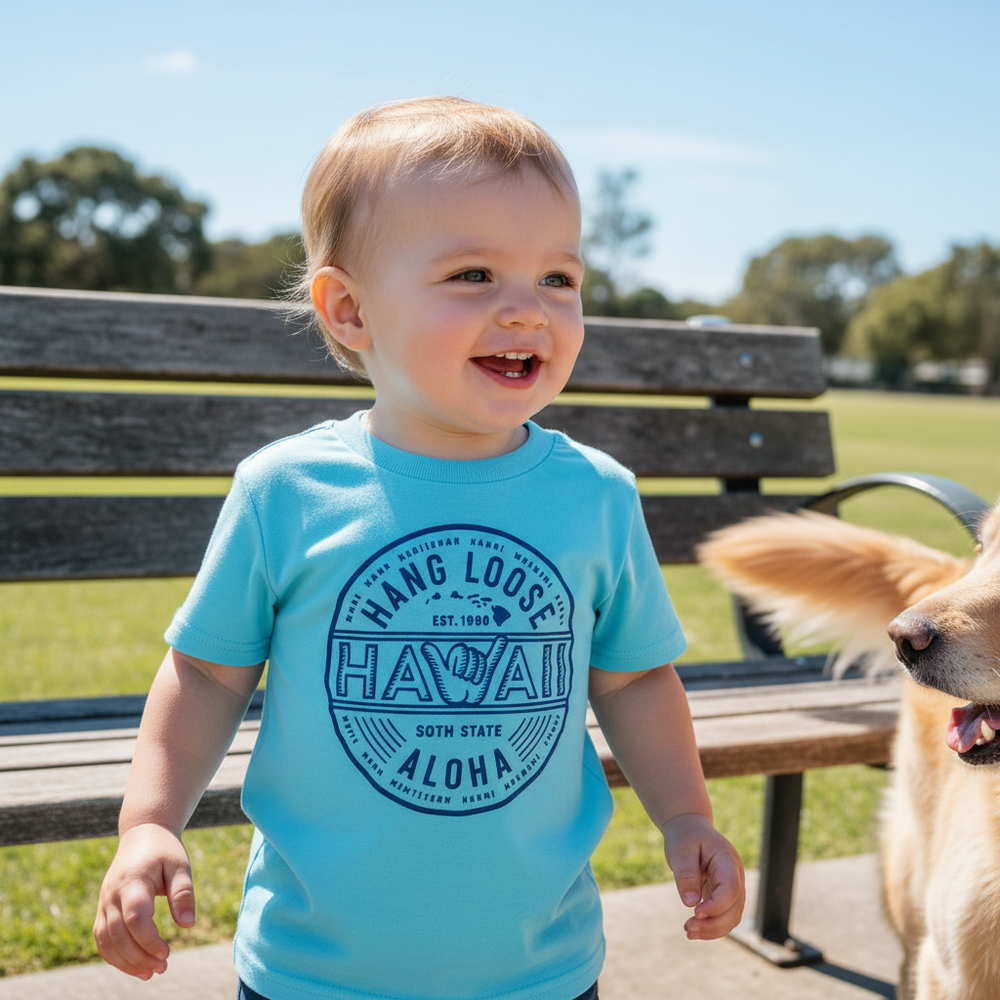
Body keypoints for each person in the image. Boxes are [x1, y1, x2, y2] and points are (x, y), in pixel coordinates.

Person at [94, 96, 745, 1000]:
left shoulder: (594, 494)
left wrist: (684, 814)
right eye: (475, 274)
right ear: (351, 309)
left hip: (539, 969)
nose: (529, 310)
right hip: (313, 969)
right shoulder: (287, 490)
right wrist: (149, 822)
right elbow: (205, 672)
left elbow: (632, 678)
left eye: (559, 278)